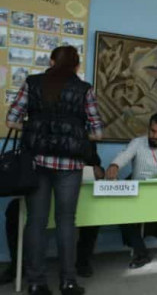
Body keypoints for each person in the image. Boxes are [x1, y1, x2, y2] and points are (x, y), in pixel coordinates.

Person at [6, 46, 102, 295]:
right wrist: (76, 133)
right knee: (66, 222)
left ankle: (36, 283)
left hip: (36, 163)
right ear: (76, 66)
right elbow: (97, 132)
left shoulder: (32, 83)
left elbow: (11, 120)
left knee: (35, 222)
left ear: (50, 61)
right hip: (70, 165)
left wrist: (33, 128)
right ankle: (68, 282)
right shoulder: (84, 89)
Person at [0, 142, 103, 283]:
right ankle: (17, 265)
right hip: (38, 190)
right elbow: (23, 160)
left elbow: (96, 167)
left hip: (73, 195)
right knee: (14, 212)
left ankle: (82, 261)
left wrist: (98, 170)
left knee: (94, 211)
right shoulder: (36, 135)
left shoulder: (83, 138)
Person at [105, 113, 157, 268]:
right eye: (152, 131)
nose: (154, 136)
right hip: (138, 198)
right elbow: (124, 155)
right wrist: (114, 165)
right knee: (120, 211)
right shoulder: (137, 143)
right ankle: (141, 254)